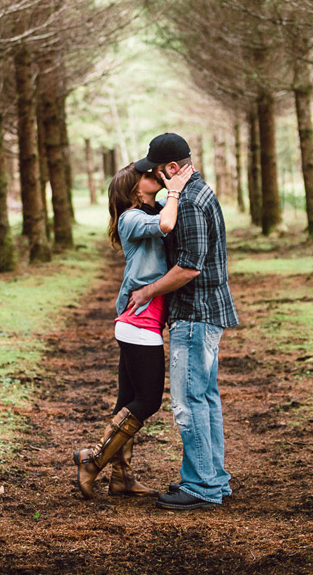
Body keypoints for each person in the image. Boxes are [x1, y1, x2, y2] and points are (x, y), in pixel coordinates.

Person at [126, 133, 239, 511]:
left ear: (173, 168)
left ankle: (202, 486)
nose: (157, 180)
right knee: (204, 398)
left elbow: (189, 267)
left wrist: (148, 292)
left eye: (159, 173)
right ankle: (211, 478)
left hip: (193, 314)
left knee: (188, 403)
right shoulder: (200, 190)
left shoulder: (188, 202)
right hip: (206, 313)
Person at [73, 161, 195, 499]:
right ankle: (94, 460)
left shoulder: (150, 208)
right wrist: (174, 188)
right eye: (146, 175)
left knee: (126, 400)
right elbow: (167, 223)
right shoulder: (131, 217)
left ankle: (122, 476)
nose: (152, 176)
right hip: (139, 319)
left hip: (141, 320)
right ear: (133, 189)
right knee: (148, 400)